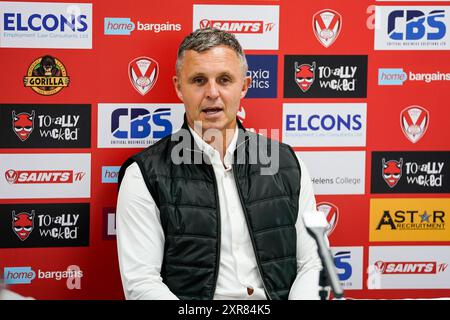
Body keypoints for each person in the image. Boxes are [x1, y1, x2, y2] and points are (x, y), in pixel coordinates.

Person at [116, 28, 324, 300]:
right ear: (179, 87)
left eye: (224, 80)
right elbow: (141, 284)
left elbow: (313, 262)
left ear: (245, 86)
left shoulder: (287, 164)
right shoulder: (144, 174)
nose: (212, 93)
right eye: (199, 80)